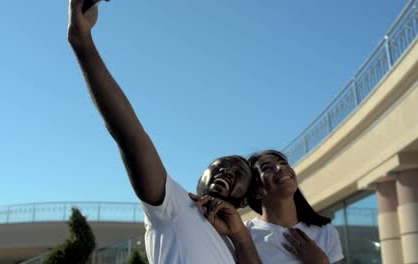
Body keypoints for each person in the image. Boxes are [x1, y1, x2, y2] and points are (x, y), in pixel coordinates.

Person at [67, 0, 261, 263]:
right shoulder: (175, 204)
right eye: (220, 164)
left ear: (243, 202)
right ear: (201, 178)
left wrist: (240, 237)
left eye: (240, 174)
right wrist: (83, 44)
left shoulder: (237, 243)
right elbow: (130, 136)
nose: (227, 171)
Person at [246, 150, 344, 264]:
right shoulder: (245, 233)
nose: (280, 168)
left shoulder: (326, 232)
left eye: (283, 163)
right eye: (267, 168)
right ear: (255, 192)